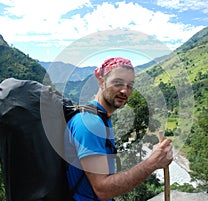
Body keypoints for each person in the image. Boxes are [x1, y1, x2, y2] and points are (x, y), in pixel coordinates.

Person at [65, 57, 173, 201]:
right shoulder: (90, 123)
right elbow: (103, 190)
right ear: (101, 81)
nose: (124, 90)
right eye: (118, 83)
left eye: (130, 85)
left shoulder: (102, 117)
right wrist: (152, 163)